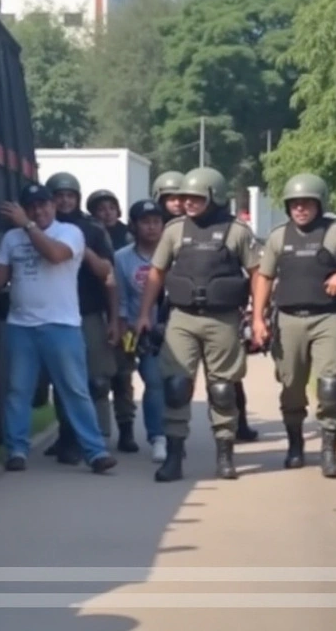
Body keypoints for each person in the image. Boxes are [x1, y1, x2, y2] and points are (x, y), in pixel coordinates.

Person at [251, 174, 336, 478]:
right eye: (295, 204)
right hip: (288, 319)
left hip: (329, 318)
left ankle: (328, 451)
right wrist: (258, 318)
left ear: (319, 204)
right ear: (288, 207)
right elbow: (264, 277)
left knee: (331, 386)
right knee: (291, 388)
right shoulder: (277, 237)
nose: (301, 209)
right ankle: (296, 445)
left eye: (307, 204)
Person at [0, 183, 117, 474]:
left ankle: (95, 451)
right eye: (32, 207)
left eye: (43, 205)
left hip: (62, 325)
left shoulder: (70, 233)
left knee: (75, 390)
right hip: (21, 326)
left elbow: (54, 255)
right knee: (18, 391)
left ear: (52, 207)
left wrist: (27, 225)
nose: (38, 211)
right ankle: (16, 450)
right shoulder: (12, 239)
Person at [135, 166, 261, 482]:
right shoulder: (175, 230)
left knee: (222, 390)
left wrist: (257, 316)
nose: (188, 203)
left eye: (196, 197)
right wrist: (144, 314)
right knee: (176, 387)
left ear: (214, 196)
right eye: (185, 197)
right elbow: (157, 272)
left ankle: (225, 455)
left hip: (223, 318)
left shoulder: (237, 231)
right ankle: (174, 458)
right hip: (182, 317)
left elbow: (259, 273)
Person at [43, 172, 122, 464]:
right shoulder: (42, 228)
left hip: (88, 312)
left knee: (97, 380)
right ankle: (68, 436)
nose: (64, 200)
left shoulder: (92, 229)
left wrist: (113, 319)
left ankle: (98, 438)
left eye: (70, 195)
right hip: (53, 314)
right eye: (58, 195)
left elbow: (109, 277)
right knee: (63, 382)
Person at [113, 199, 169, 462]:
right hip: (136, 328)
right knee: (137, 377)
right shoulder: (123, 258)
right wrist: (124, 327)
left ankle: (166, 434)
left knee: (165, 381)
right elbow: (121, 297)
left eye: (156, 222)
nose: (151, 227)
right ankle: (142, 433)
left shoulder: (174, 253)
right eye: (145, 222)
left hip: (169, 327)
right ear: (134, 226)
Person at [87, 188, 139, 453]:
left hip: (125, 315)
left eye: (110, 207)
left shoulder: (128, 237)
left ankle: (127, 429)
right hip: (98, 312)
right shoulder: (92, 235)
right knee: (98, 379)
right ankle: (100, 433)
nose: (106, 213)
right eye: (100, 209)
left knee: (122, 374)